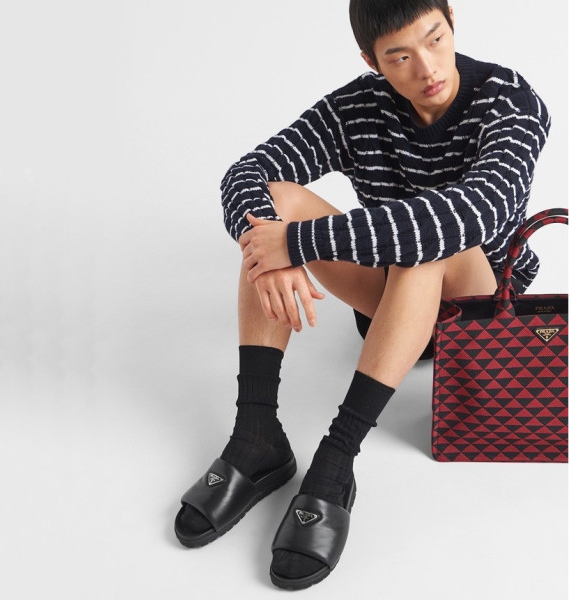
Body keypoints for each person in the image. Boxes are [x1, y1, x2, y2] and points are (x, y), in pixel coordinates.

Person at [174, 0, 550, 590]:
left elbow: (473, 212)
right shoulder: (358, 107)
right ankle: (256, 433)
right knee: (273, 204)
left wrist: (295, 243)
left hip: (476, 310)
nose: (426, 67)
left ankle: (337, 457)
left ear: (452, 21)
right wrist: (269, 247)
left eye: (435, 39)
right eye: (399, 57)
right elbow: (247, 172)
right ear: (371, 61)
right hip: (389, 307)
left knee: (428, 242)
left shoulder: (510, 102)